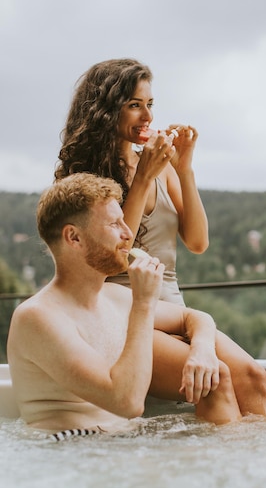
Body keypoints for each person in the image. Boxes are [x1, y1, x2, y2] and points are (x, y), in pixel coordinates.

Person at [7, 174, 266, 435]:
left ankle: (254, 471)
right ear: (74, 237)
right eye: (114, 224)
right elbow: (127, 402)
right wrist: (144, 302)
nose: (128, 234)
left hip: (119, 442)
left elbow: (195, 318)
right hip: (69, 447)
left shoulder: (113, 297)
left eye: (124, 222)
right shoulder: (37, 316)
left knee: (213, 377)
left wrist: (202, 350)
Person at [54, 58, 208, 305]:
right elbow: (113, 257)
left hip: (174, 308)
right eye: (135, 105)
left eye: (150, 104)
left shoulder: (163, 168)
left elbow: (198, 242)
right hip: (118, 309)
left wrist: (184, 170)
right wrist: (143, 178)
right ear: (107, 111)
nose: (148, 115)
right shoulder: (84, 176)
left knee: (208, 339)